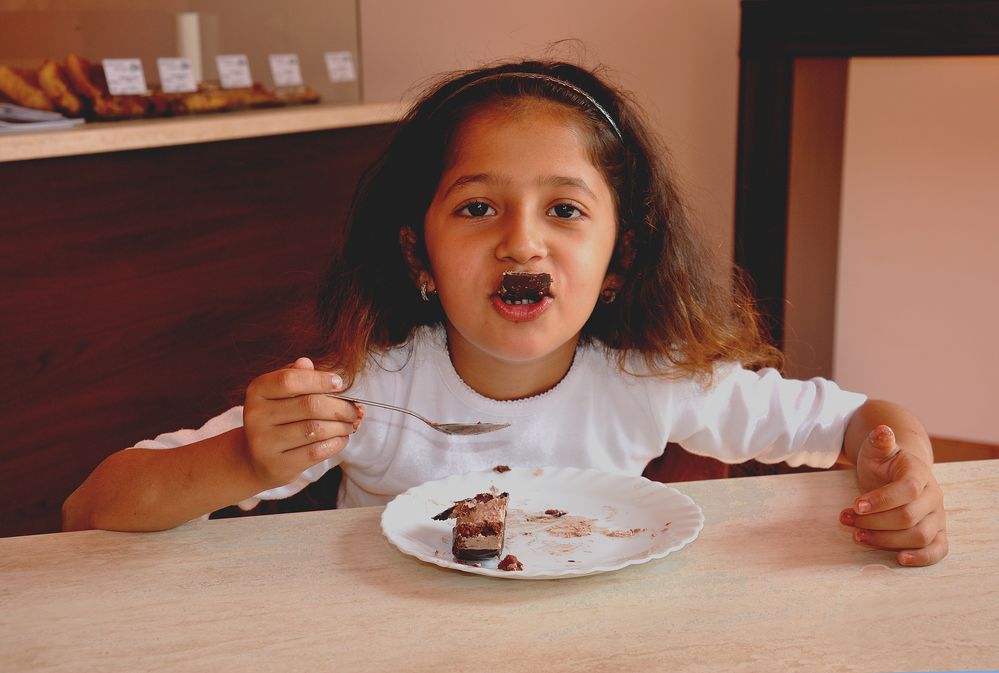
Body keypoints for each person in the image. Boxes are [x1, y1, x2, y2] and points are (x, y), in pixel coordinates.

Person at [63, 59, 947, 566]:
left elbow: (855, 421)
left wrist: (901, 471)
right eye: (478, 207)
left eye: (564, 210)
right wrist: (245, 457)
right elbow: (92, 508)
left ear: (618, 261)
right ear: (418, 254)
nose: (522, 242)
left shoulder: (651, 381)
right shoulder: (369, 387)